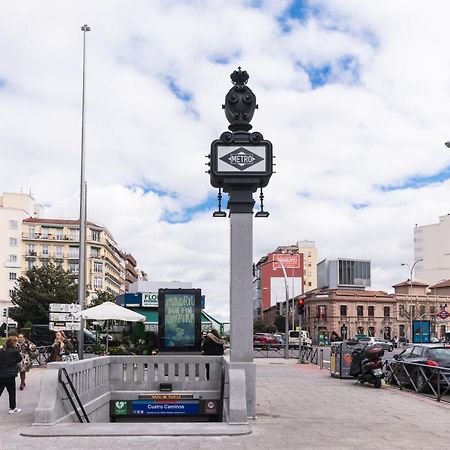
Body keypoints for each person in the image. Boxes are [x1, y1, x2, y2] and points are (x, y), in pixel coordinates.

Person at [0, 336, 23, 414]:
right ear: (13, 343)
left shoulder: (1, 350)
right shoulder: (15, 351)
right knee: (11, 392)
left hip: (1, 374)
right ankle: (12, 408)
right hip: (10, 375)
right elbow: (20, 359)